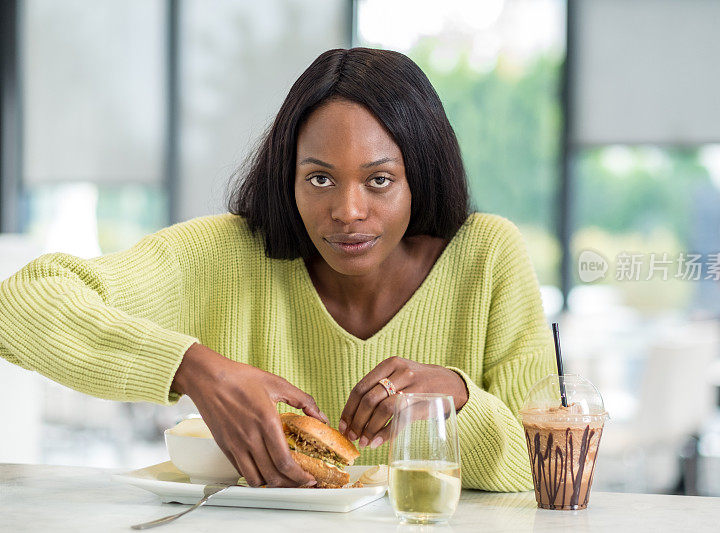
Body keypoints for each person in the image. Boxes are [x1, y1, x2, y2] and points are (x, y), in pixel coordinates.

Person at [0, 48, 555, 491]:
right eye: (319, 178)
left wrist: (454, 397)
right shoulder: (225, 257)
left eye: (379, 180)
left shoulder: (487, 257)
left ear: (421, 176)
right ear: (286, 177)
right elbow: (17, 305)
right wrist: (194, 369)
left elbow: (541, 470)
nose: (347, 211)